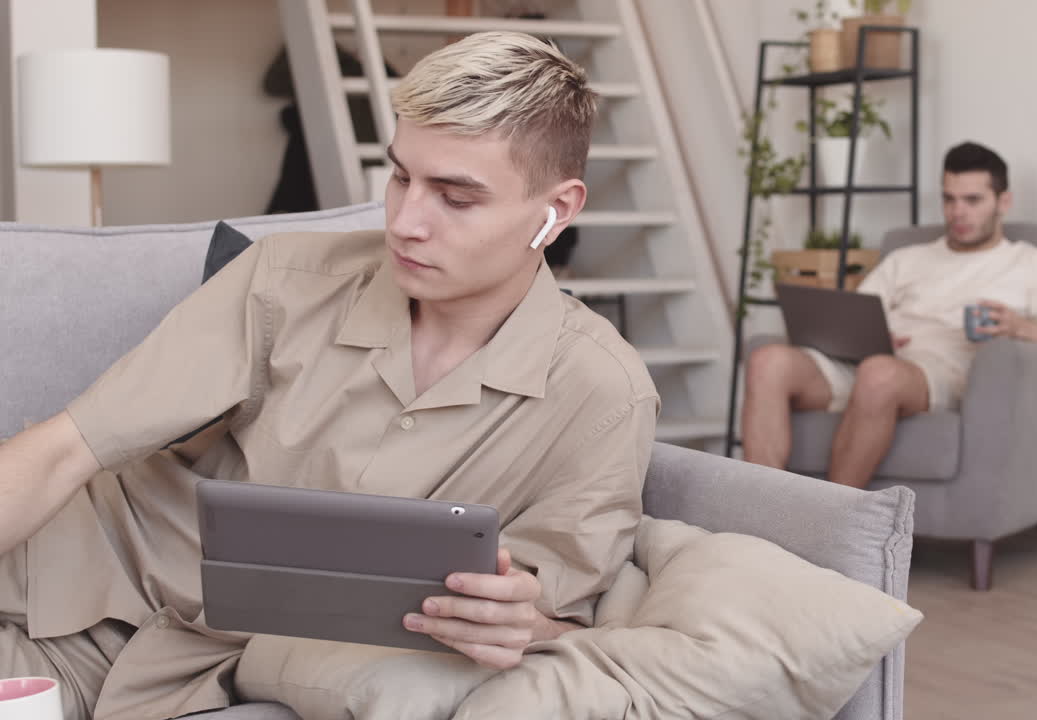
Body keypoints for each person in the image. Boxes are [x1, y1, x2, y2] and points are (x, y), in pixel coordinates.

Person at [0, 32, 658, 720]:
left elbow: (556, 619)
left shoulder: (602, 394)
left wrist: (521, 624)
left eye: (455, 198)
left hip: (205, 662)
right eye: (401, 178)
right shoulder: (283, 279)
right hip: (63, 573)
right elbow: (65, 449)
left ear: (557, 211)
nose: (406, 222)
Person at [742, 142, 1037, 488]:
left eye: (972, 200)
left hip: (935, 373)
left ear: (1003, 202)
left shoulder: (1029, 263)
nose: (958, 212)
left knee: (879, 374)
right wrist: (867, 337)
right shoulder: (907, 258)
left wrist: (1020, 327)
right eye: (949, 199)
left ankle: (834, 521)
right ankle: (760, 516)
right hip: (867, 361)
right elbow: (856, 314)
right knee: (767, 361)